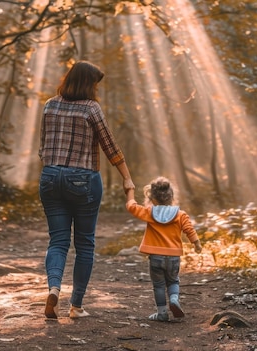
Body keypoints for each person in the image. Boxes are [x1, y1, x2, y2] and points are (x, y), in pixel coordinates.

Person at [39, 61, 135, 319]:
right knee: (84, 244)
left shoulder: (50, 105)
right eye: (94, 83)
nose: (96, 89)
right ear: (87, 83)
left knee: (58, 241)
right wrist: (127, 178)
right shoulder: (91, 109)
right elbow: (110, 146)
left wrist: (54, 170)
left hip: (49, 176)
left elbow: (43, 146)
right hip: (83, 180)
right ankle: (76, 306)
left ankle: (54, 289)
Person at [125, 176, 202, 322]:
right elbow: (189, 230)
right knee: (173, 281)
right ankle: (174, 299)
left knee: (158, 285)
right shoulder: (180, 215)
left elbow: (131, 207)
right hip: (173, 257)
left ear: (151, 197)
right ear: (171, 196)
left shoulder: (149, 212)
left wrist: (130, 190)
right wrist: (197, 244)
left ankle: (162, 313)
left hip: (155, 258)